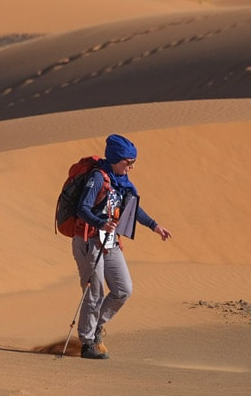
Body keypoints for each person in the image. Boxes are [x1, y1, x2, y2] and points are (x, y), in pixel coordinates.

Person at [72, 134, 172, 360]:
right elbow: (82, 209)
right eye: (129, 162)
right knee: (94, 292)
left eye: (133, 162)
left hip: (110, 241)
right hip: (89, 240)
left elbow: (133, 209)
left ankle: (96, 326)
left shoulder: (123, 183)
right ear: (117, 159)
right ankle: (87, 343)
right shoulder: (98, 178)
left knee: (123, 289)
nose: (131, 167)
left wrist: (155, 226)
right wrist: (101, 223)